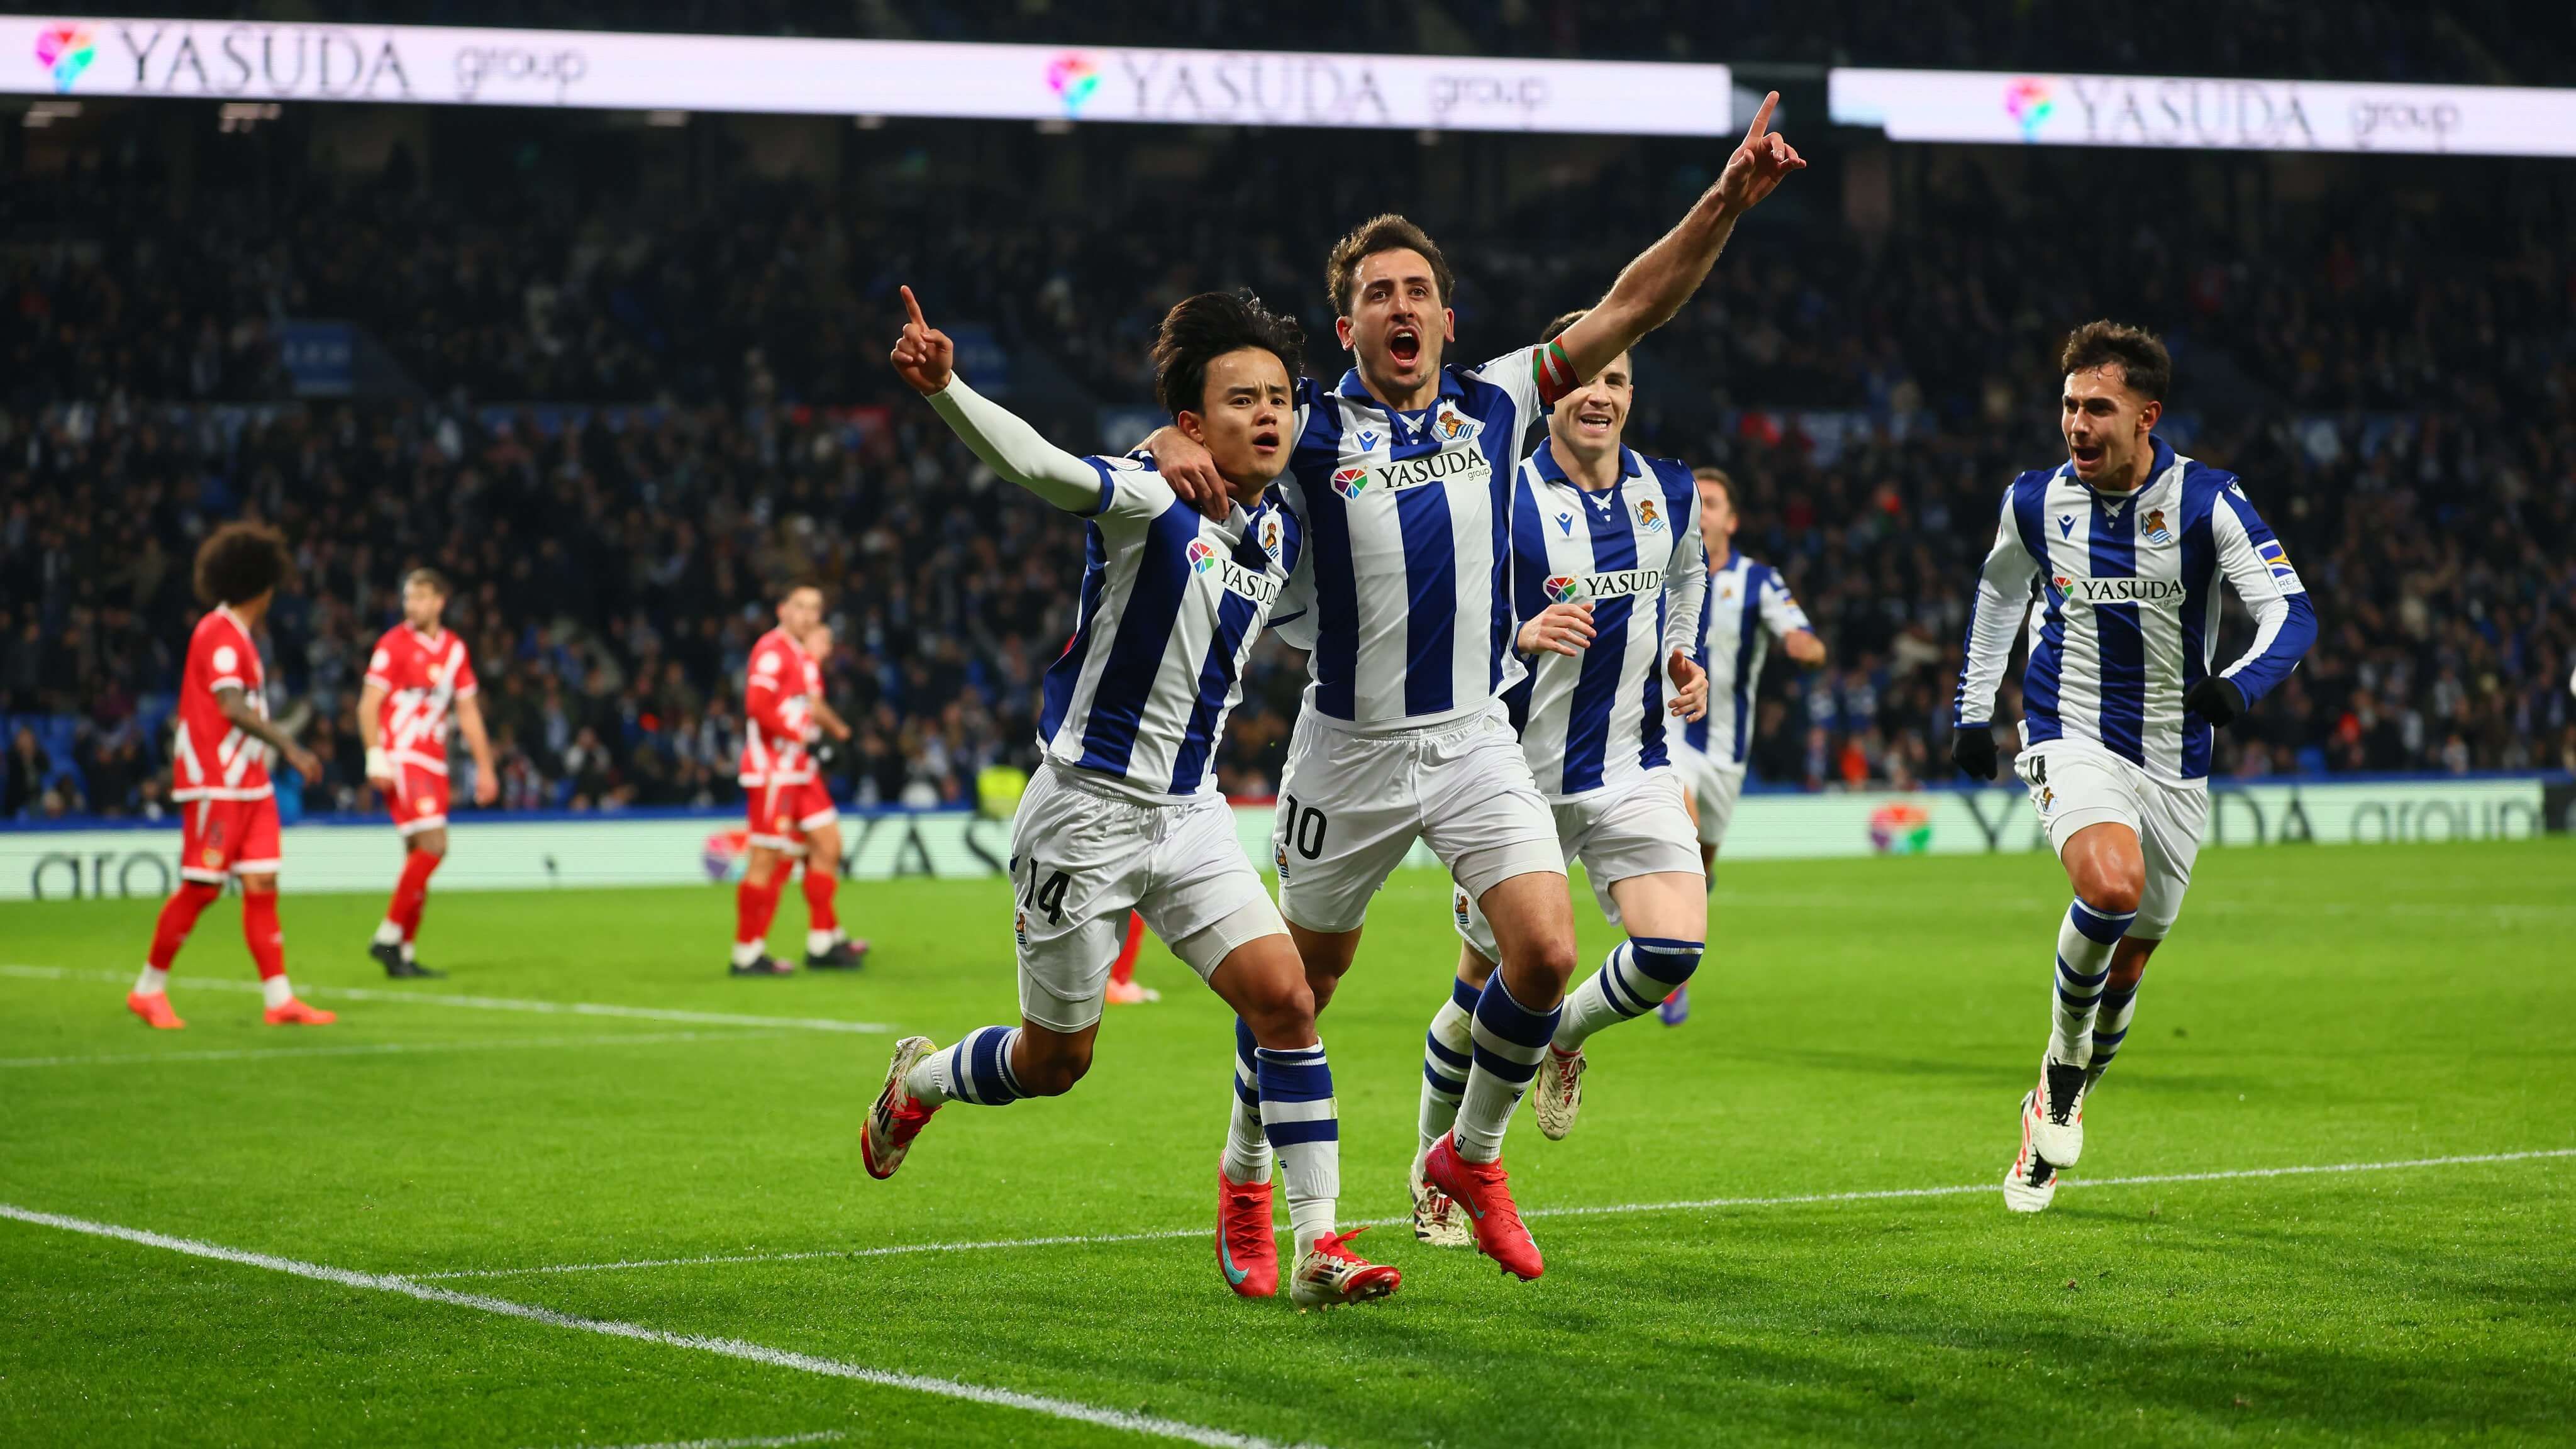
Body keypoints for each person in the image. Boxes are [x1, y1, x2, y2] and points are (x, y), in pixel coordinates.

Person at [1151, 92, 1804, 1282]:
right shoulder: (1308, 432)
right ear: (1346, 325)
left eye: (1417, 291)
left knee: (1545, 955)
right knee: (1301, 988)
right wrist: (1169, 443)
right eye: (1377, 295)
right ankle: (1244, 1175)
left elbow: (1632, 304)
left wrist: (1725, 200)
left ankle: (1470, 1155)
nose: (1400, 307)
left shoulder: (1500, 400)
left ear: (1447, 319)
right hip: (1347, 749)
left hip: (1472, 738)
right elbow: (1207, 442)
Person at [865, 286, 1402, 1311]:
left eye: (1280, 398)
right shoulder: (1147, 495)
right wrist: (947, 391)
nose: (1269, 415)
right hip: (1083, 813)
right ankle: (920, 1080)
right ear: (1194, 420)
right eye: (1242, 399)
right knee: (1056, 1060)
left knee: (1288, 1001)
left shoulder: (1282, 531)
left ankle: (1317, 1243)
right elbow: (1039, 465)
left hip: (1191, 815)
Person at [1950, 321, 2317, 1212]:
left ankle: (2056, 1097)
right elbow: (1998, 593)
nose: (2077, 424)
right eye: (2069, 405)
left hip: (2175, 759)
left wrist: (2239, 687)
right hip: (2067, 730)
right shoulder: (2034, 501)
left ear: (2146, 416)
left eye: (2097, 408)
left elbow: (2291, 614)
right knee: (2110, 889)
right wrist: (1972, 711)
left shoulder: (2207, 501)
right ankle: (2063, 1073)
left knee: (2129, 967)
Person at [1409, 311, 1712, 1248]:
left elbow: (1688, 575)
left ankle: (1563, 1035)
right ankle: (1431, 1174)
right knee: (1479, 990)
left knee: (1673, 951)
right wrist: (1520, 633)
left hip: (1633, 764)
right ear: (1552, 392)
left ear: (1632, 396)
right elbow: (1439, 611)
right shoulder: (1503, 494)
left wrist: (1682, 653)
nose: (1599, 395)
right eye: (1584, 378)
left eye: (1616, 381)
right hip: (1515, 777)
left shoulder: (1670, 488)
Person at [126, 521, 335, 1030]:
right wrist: (289, 744)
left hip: (250, 782)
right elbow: (230, 705)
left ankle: (279, 999)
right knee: (203, 887)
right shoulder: (218, 633)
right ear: (262, 585)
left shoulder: (240, 637)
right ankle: (148, 990)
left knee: (262, 881)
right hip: (216, 780)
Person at [1661, 465, 1824, 1024]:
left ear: (1731, 520)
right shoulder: (1662, 572)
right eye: (1696, 502)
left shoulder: (1759, 580)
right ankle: (1664, 960)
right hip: (1670, 731)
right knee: (1680, 827)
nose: (1701, 512)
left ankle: (1677, 954)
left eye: (1711, 503)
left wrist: (1805, 648)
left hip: (1728, 751)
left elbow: (1804, 637)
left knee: (1702, 863)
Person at [358, 567, 497, 979]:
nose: (412, 605)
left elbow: (468, 712)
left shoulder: (454, 650)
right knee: (435, 846)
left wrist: (485, 767)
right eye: (408, 597)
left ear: (440, 602)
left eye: (420, 597)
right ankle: (387, 936)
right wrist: (374, 754)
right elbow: (368, 704)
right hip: (403, 756)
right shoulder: (393, 644)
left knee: (416, 857)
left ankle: (403, 953)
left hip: (434, 760)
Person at [730, 581, 865, 975]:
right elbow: (757, 706)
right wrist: (805, 738)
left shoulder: (797, 654)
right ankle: (746, 952)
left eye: (815, 608)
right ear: (782, 610)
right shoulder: (773, 650)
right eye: (800, 607)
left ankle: (822, 941)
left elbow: (807, 706)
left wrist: (833, 733)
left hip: (796, 770)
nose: (808, 615)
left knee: (828, 843)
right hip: (773, 770)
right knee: (766, 857)